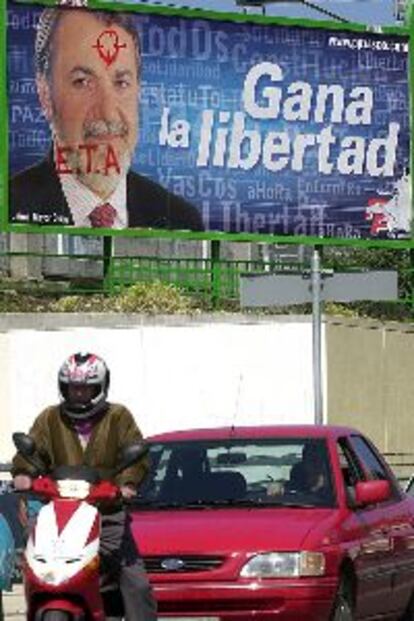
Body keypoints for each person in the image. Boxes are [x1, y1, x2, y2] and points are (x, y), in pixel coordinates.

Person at [10, 7, 203, 232]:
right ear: (45, 95)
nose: (108, 113)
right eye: (82, 81)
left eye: (121, 83)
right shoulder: (10, 204)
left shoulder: (180, 220)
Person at [11, 352, 158, 621]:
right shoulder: (49, 418)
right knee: (33, 557)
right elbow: (31, 452)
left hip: (107, 512)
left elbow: (136, 457)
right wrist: (23, 473)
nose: (78, 393)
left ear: (100, 387)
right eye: (72, 387)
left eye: (85, 387)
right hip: (57, 513)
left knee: (136, 583)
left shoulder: (118, 416)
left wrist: (127, 484)